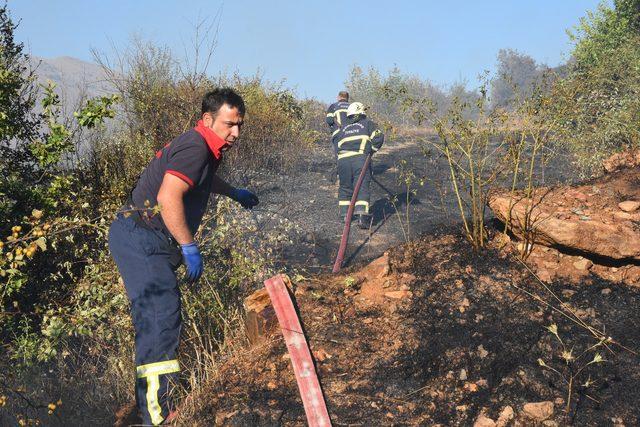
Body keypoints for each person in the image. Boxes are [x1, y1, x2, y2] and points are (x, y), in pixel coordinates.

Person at [108, 88, 258, 425]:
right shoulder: (196, 146)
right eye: (229, 124)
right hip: (143, 237)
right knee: (160, 320)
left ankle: (152, 407)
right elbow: (169, 196)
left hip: (141, 235)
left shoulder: (202, 147)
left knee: (160, 318)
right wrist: (189, 246)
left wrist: (233, 191)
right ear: (207, 120)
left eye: (239, 126)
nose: (235, 133)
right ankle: (157, 416)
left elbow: (198, 178)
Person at [332, 102, 384, 229]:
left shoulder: (343, 128)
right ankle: (362, 217)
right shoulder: (367, 124)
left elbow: (336, 144)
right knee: (361, 187)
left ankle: (345, 216)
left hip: (342, 161)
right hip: (359, 159)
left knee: (344, 188)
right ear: (361, 112)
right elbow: (378, 137)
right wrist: (371, 150)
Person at [325, 91, 350, 182]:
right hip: (351, 134)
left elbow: (329, 120)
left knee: (339, 154)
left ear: (338, 97)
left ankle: (340, 175)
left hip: (338, 134)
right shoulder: (352, 106)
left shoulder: (333, 106)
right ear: (347, 98)